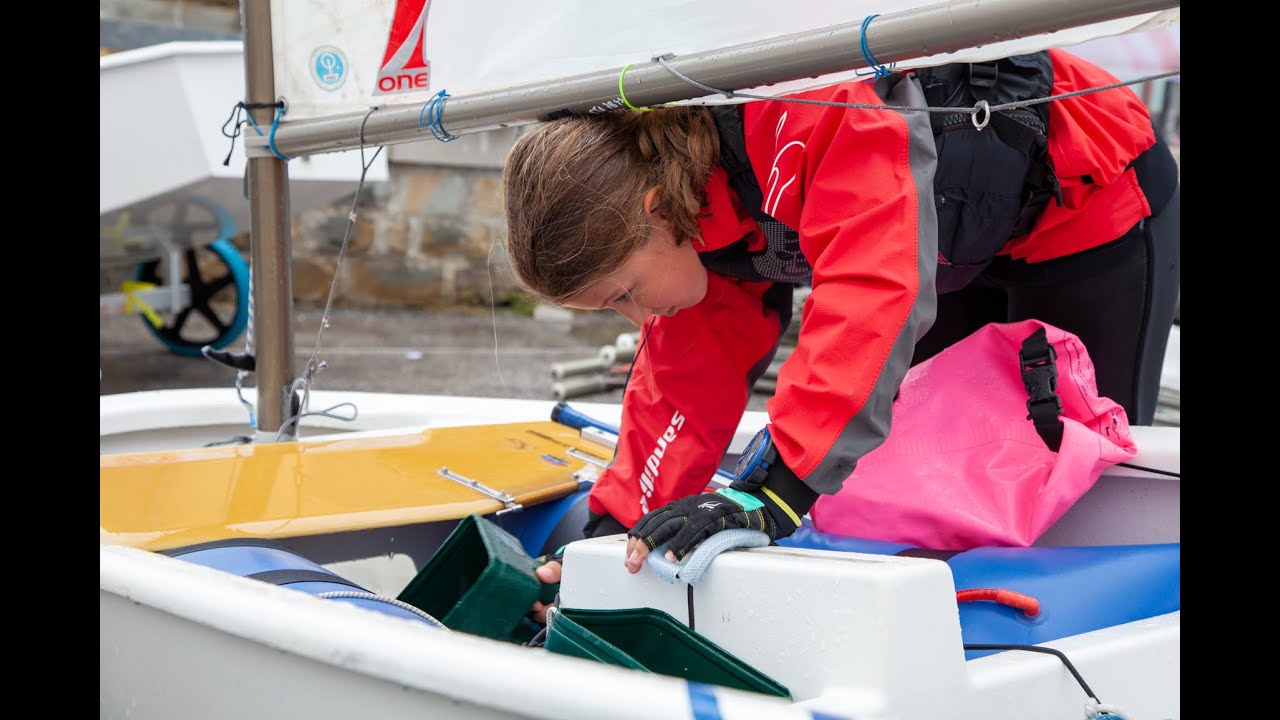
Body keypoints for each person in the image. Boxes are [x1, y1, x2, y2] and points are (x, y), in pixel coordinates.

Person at [502, 48, 1180, 600]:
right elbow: (685, 374)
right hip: (953, 253)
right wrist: (613, 528)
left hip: (1087, 200)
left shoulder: (804, 103)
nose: (638, 319)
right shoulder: (688, 211)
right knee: (938, 472)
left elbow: (871, 288)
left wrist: (774, 490)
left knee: (1081, 454)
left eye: (625, 293)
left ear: (653, 210)